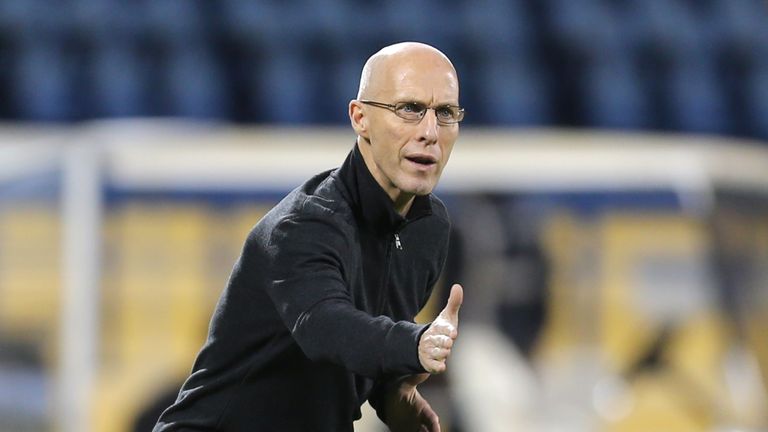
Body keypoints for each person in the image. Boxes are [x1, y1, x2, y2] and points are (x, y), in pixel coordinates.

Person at [153, 41, 465, 432]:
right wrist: (412, 345)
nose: (430, 132)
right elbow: (325, 326)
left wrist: (390, 394)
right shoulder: (304, 225)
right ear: (359, 118)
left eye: (446, 113)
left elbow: (358, 346)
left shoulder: (428, 228)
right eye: (409, 109)